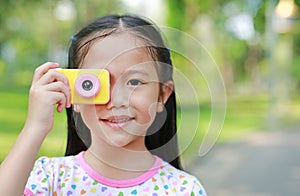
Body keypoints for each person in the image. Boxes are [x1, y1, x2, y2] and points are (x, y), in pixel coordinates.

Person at [0, 14, 206, 195]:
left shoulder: (183, 189)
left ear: (162, 95)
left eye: (135, 82)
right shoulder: (51, 178)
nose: (116, 100)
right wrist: (35, 127)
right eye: (95, 83)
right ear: (74, 93)